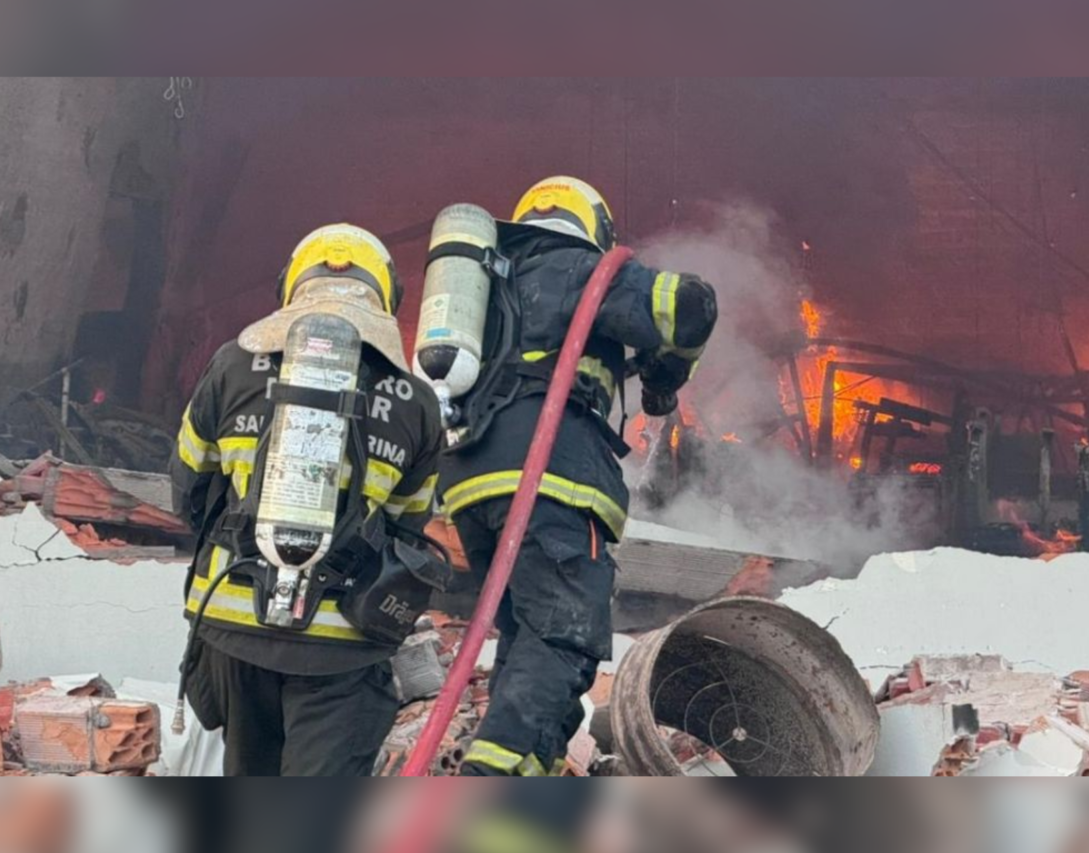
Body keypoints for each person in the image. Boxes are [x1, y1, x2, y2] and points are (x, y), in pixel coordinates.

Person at [440, 176, 719, 777]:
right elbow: (691, 307)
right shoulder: (579, 267)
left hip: (472, 484)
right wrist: (665, 377)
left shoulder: (485, 287)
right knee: (565, 639)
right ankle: (491, 784)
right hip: (551, 476)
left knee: (527, 641)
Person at [171, 224, 444, 776]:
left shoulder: (230, 366)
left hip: (234, 630)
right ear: (388, 297)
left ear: (291, 287)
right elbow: (408, 529)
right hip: (341, 645)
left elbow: (188, 489)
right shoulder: (415, 401)